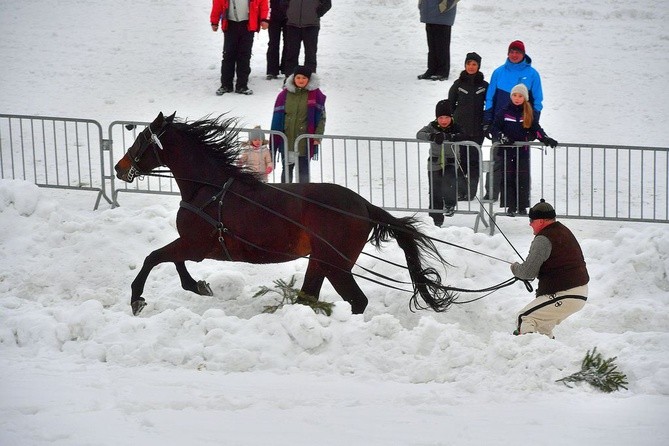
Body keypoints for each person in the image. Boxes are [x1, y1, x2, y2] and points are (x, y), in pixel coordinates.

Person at [510, 199, 589, 338]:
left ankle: (528, 353)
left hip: (566, 293)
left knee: (525, 318)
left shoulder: (543, 239)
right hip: (577, 292)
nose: (530, 224)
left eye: (531, 220)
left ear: (540, 221)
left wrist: (515, 268)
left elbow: (528, 273)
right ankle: (548, 354)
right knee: (543, 328)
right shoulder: (562, 231)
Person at [482, 40, 544, 201]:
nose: (514, 55)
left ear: (523, 54)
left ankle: (521, 197)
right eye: (512, 51)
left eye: (518, 52)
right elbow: (490, 97)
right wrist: (488, 120)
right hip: (501, 125)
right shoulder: (498, 72)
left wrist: (532, 123)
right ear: (508, 53)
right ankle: (492, 192)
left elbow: (537, 101)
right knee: (497, 159)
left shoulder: (532, 74)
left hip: (521, 126)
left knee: (521, 164)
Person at [489, 84, 557, 216]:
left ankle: (522, 206)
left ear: (524, 98)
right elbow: (495, 128)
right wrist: (503, 137)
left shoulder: (528, 112)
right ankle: (510, 205)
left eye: (520, 96)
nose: (517, 98)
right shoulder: (504, 111)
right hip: (507, 151)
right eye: (514, 95)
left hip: (522, 151)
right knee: (508, 177)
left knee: (522, 178)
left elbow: (536, 129)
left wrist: (545, 139)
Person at [416, 99, 470, 227]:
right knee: (435, 190)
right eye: (440, 117)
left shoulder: (455, 126)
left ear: (451, 117)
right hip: (435, 163)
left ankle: (450, 204)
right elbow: (419, 134)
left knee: (449, 181)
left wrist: (450, 137)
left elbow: (464, 135)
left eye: (446, 117)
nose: (444, 121)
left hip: (451, 162)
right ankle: (435, 220)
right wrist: (432, 137)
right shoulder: (432, 127)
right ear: (437, 118)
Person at [271, 65, 326, 183]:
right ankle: (285, 195)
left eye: (304, 78)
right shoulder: (284, 95)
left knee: (303, 171)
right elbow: (277, 117)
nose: (301, 80)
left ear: (309, 80)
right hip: (287, 140)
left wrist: (317, 136)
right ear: (294, 78)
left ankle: (303, 197)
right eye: (298, 77)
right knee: (286, 171)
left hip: (304, 141)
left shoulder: (316, 95)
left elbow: (321, 118)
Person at [447, 51, 488, 200]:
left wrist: (486, 124)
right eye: (469, 64)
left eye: (474, 64)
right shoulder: (458, 84)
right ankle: (460, 191)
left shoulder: (484, 85)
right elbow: (450, 104)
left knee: (474, 162)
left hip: (477, 130)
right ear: (465, 65)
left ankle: (471, 193)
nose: (471, 67)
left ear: (478, 66)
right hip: (460, 129)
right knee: (461, 161)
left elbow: (489, 105)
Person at [210, 0, 270, 96]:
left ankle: (242, 85)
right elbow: (217, 5)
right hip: (230, 24)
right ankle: (226, 85)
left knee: (244, 55)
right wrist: (214, 21)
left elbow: (264, 5)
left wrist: (264, 19)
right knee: (228, 55)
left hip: (248, 25)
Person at [283, 0, 332, 76]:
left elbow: (327, 3)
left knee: (310, 54)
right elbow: (282, 2)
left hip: (311, 25)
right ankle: (290, 77)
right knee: (291, 53)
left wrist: (317, 13)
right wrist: (289, 12)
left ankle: (310, 78)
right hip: (292, 24)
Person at [417, 0, 458, 81]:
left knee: (441, 46)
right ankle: (432, 69)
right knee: (432, 46)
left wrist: (445, 5)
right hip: (429, 13)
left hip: (442, 14)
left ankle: (443, 72)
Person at [266, 0, 288, 79]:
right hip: (273, 13)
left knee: (289, 43)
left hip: (289, 13)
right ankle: (272, 70)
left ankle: (286, 68)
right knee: (273, 43)